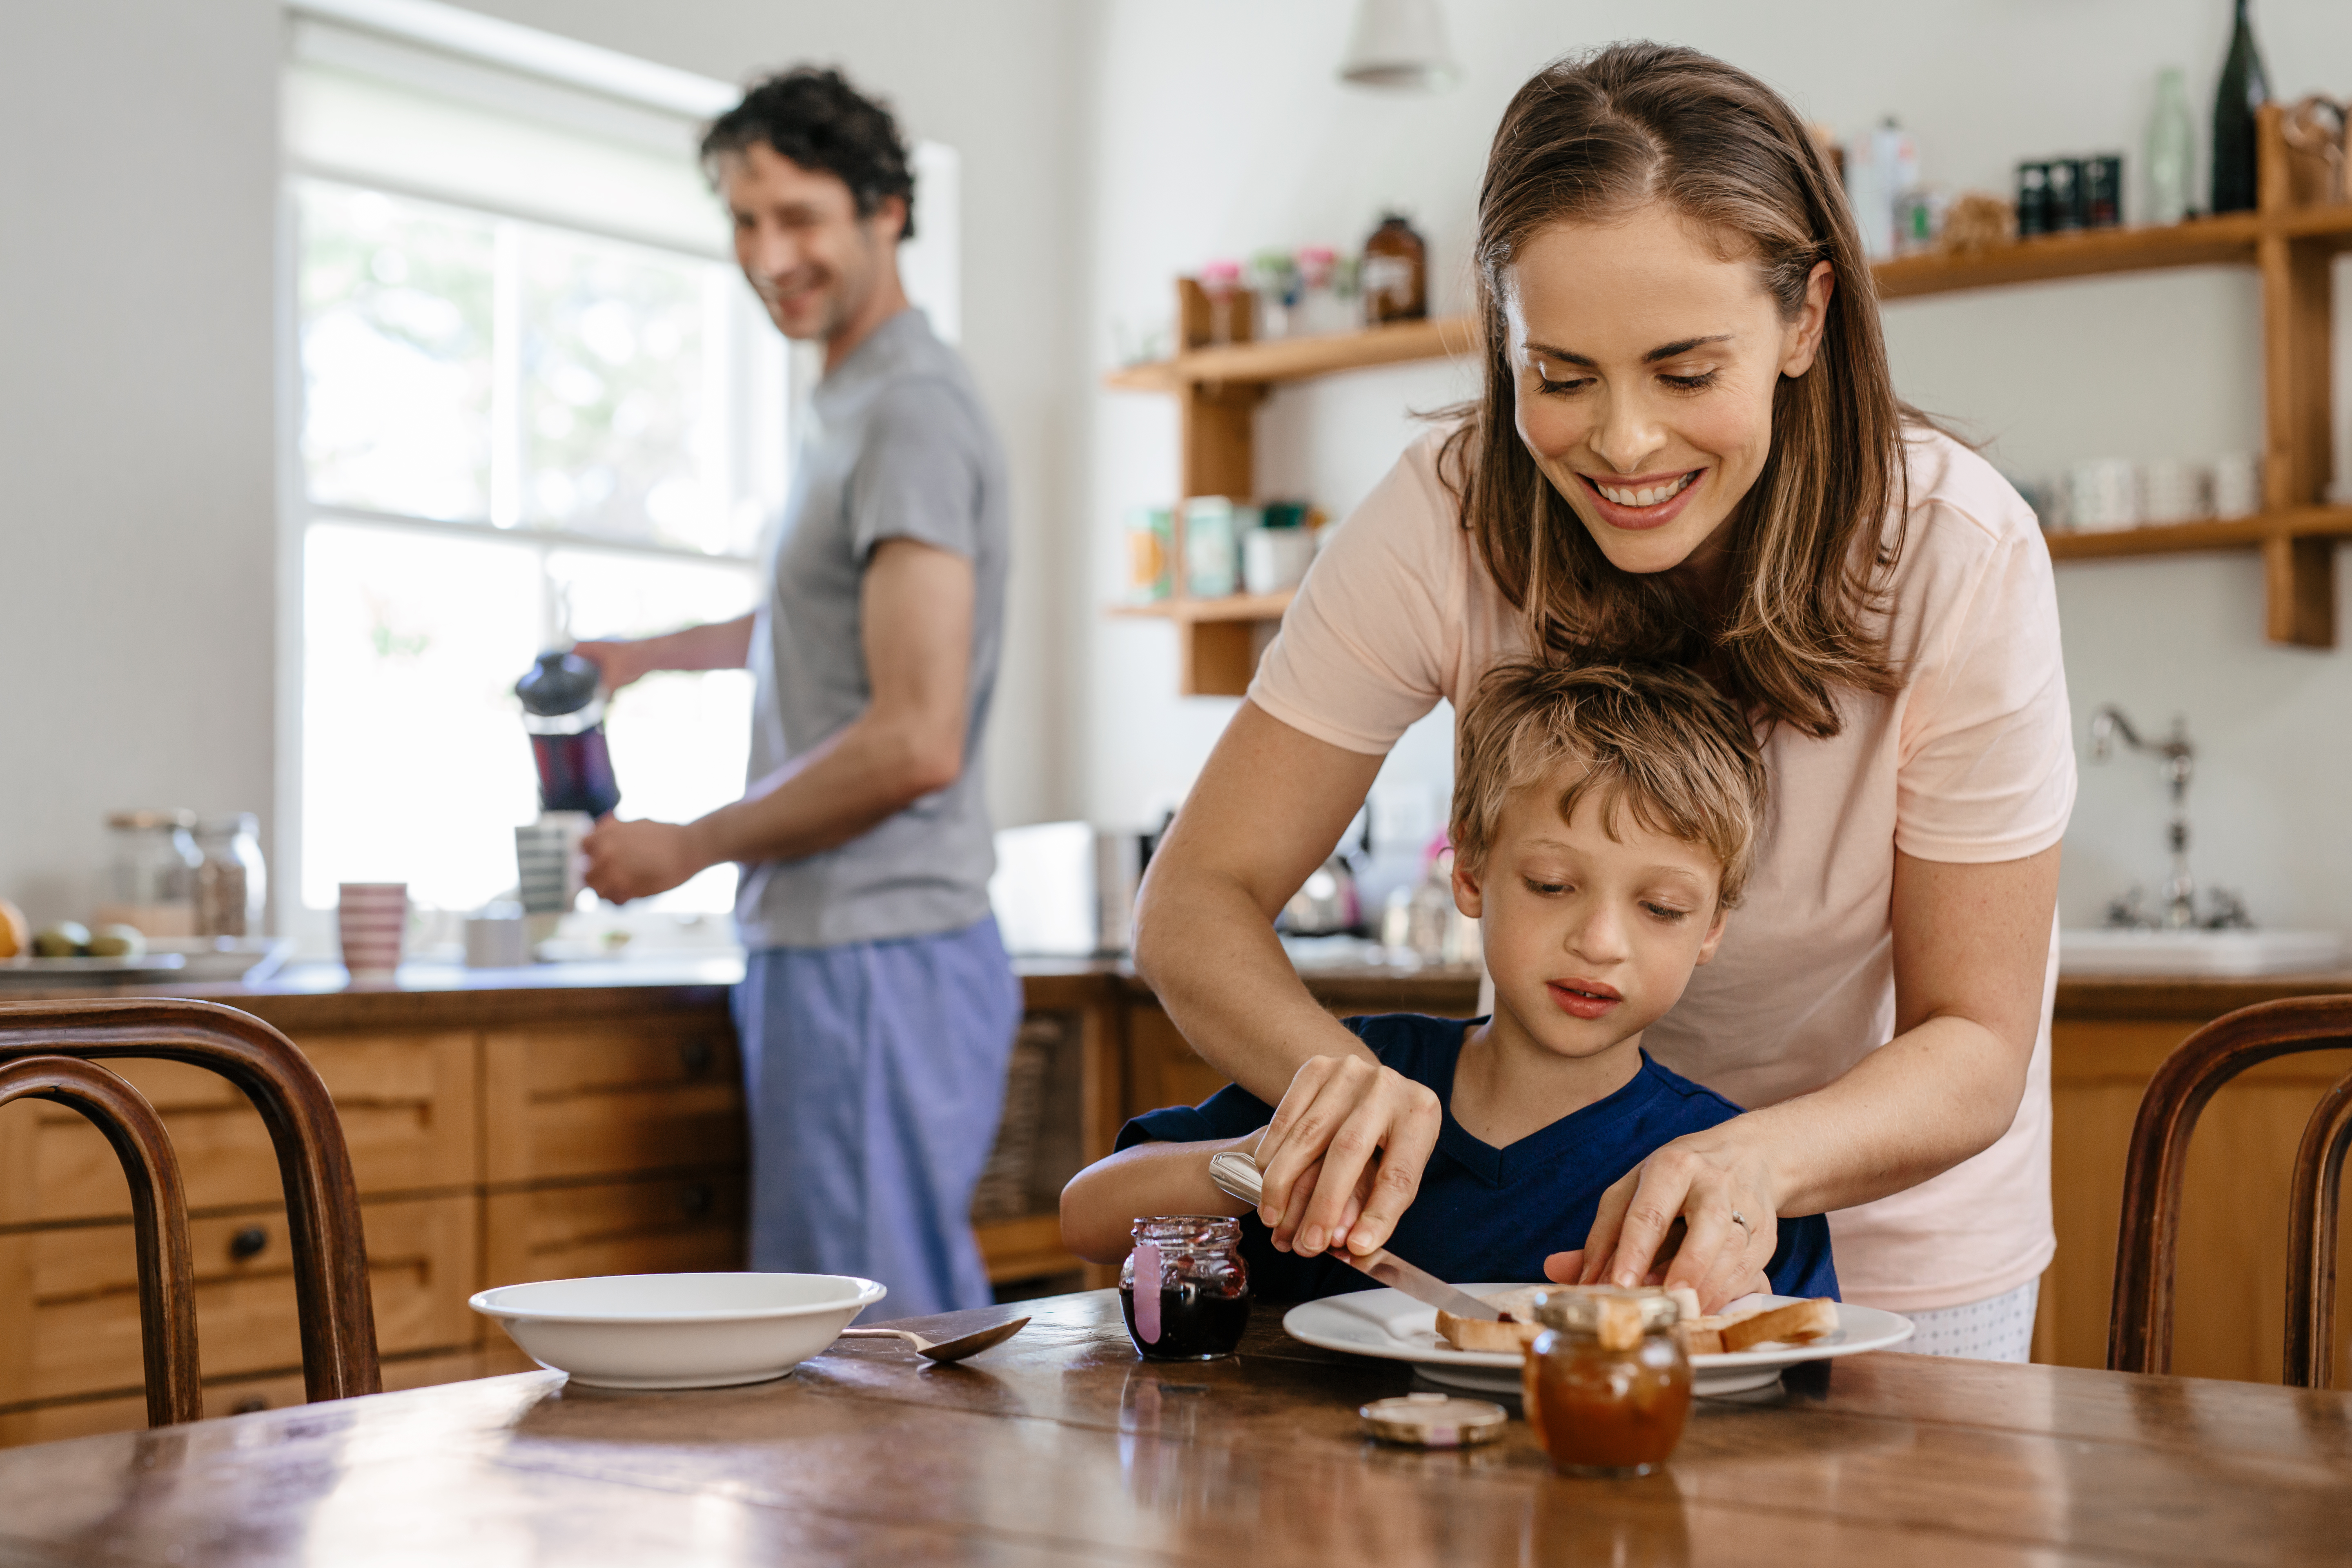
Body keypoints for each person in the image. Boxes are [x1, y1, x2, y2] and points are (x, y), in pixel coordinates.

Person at [1131, 42, 2071, 1360]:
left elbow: (1975, 1040)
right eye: (1560, 378)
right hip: (1546, 1233)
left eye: (1686, 373)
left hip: (1891, 1254)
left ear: (1806, 319)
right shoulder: (1445, 519)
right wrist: (1328, 1085)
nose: (1624, 444)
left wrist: (1752, 1165)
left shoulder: (1959, 553)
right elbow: (1193, 899)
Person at [576, 68, 1018, 1319]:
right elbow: (828, 623)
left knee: (874, 1359)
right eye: (744, 219)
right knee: (849, 1360)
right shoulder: (857, 400)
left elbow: (914, 738)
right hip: (842, 946)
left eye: (800, 216)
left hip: (878, 947)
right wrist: (645, 658)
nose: (771, 254)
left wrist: (690, 847)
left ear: (885, 210)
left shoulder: (911, 411)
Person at [1064, 660, 1838, 1305]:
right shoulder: (1363, 1074)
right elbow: (1087, 1216)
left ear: (1711, 929)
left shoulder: (1717, 1171)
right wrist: (1266, 1162)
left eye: (1661, 908)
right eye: (1551, 885)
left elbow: (1796, 1382)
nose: (1601, 943)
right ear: (1470, 873)